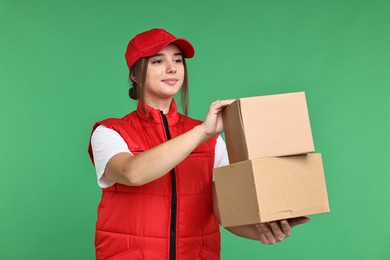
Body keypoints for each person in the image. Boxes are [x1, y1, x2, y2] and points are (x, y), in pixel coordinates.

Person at [88, 28, 309, 260]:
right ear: (135, 74)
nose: (172, 68)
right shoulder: (110, 131)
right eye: (157, 61)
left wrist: (262, 230)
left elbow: (224, 212)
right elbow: (131, 172)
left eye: (178, 60)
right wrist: (202, 132)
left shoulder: (211, 140)